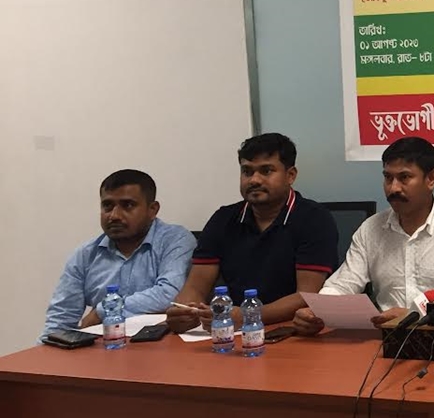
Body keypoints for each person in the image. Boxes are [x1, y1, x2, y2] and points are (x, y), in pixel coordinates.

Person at [292, 137, 434, 335]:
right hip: (383, 338)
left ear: (431, 179)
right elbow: (343, 284)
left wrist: (413, 315)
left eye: (404, 178)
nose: (393, 188)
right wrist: (317, 311)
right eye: (388, 178)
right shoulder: (371, 229)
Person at [164, 133, 338, 334]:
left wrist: (249, 315)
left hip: (294, 330)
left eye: (266, 171)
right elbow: (195, 287)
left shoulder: (314, 219)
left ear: (290, 175)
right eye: (247, 171)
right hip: (234, 331)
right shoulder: (223, 219)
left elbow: (306, 295)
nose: (254, 180)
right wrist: (183, 311)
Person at [42, 170, 196, 340]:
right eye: (107, 206)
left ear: (152, 210)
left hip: (161, 346)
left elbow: (170, 294)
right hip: (103, 347)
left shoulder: (175, 240)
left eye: (127, 205)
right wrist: (45, 350)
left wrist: (102, 311)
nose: (114, 215)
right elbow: (60, 318)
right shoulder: (86, 255)